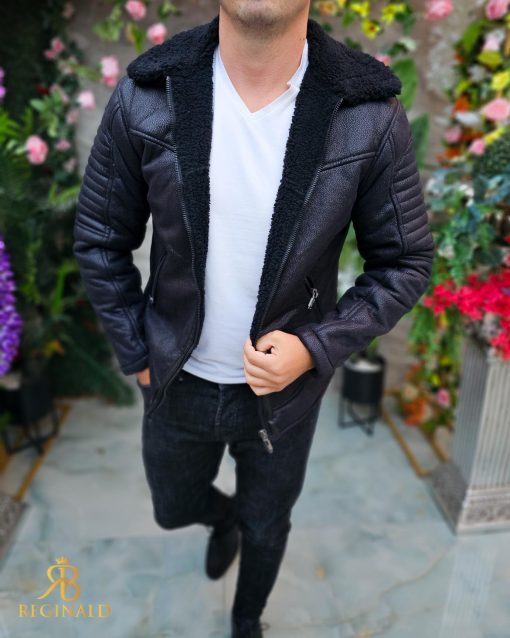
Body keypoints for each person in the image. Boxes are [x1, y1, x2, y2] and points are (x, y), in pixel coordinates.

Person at [73, 1, 435, 636]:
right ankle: (220, 520)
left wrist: (315, 347)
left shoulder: (367, 111)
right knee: (172, 506)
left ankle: (247, 620)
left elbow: (404, 261)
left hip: (284, 395)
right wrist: (137, 353)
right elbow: (101, 238)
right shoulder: (148, 93)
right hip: (175, 375)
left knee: (268, 525)